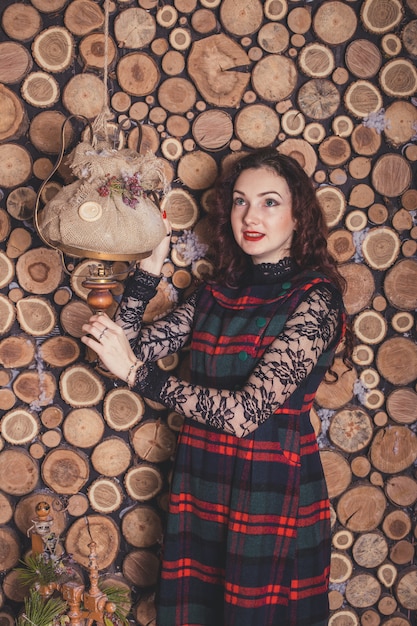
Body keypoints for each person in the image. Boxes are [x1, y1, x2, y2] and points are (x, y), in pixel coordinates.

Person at [82, 148, 349, 626]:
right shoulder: (217, 293)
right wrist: (147, 271)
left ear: (298, 214)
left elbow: (245, 413)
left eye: (269, 202)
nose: (251, 215)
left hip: (272, 484)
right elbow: (121, 351)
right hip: (202, 476)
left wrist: (136, 374)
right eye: (241, 201)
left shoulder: (316, 300)